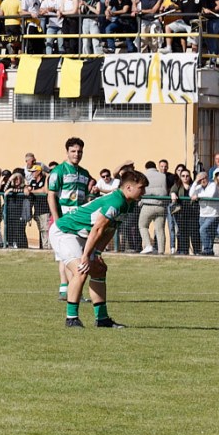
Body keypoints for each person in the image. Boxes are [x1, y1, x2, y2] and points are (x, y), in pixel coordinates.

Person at [50, 168, 147, 329]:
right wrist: (87, 256)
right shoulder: (116, 201)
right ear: (129, 187)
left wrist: (97, 253)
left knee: (99, 269)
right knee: (81, 269)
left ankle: (102, 319)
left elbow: (111, 229)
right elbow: (97, 229)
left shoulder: (128, 204)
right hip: (65, 232)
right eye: (141, 188)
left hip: (81, 235)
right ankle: (71, 318)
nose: (143, 191)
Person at [45, 137, 92, 302]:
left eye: (79, 151)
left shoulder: (85, 174)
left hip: (79, 221)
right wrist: (57, 219)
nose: (76, 154)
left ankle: (69, 290)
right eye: (73, 151)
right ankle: (67, 289)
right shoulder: (58, 171)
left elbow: (85, 198)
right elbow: (51, 196)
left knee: (73, 255)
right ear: (67, 152)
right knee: (64, 255)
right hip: (63, 219)